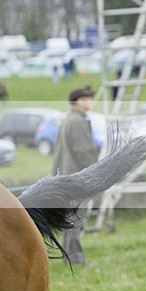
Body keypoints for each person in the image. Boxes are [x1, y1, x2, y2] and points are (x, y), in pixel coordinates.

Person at [52, 85, 100, 264]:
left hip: (66, 176)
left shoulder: (69, 119)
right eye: (85, 99)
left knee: (71, 219)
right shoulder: (77, 122)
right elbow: (84, 152)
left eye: (90, 98)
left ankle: (70, 257)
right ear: (77, 101)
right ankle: (75, 259)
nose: (89, 102)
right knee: (77, 219)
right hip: (77, 178)